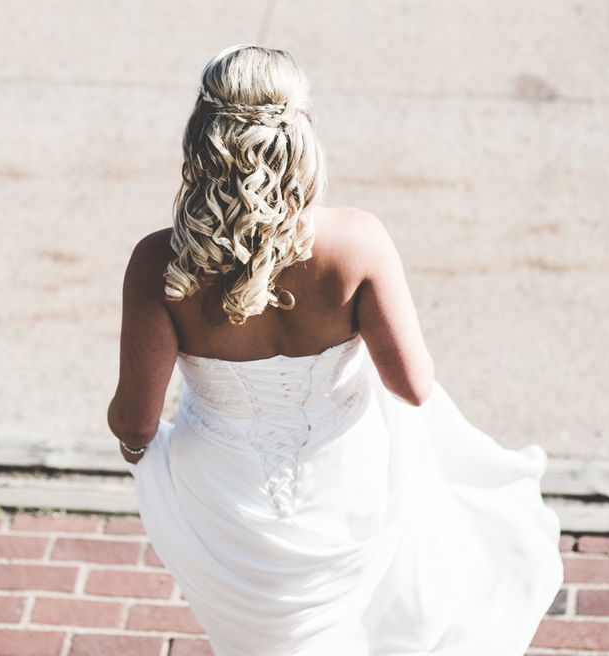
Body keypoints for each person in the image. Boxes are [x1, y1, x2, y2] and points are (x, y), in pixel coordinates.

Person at [108, 43, 563, 656]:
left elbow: (135, 421)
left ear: (201, 137)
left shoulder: (157, 262)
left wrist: (142, 452)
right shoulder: (357, 242)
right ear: (301, 136)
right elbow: (413, 387)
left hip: (224, 507)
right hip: (347, 490)